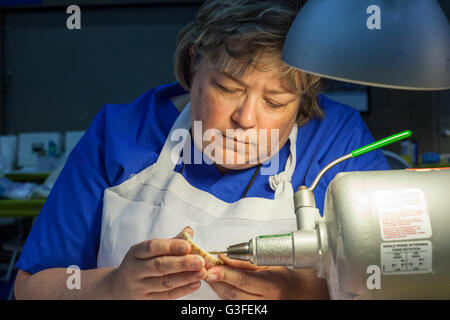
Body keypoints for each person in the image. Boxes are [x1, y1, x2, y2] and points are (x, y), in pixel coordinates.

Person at [14, 0, 389, 300]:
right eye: (227, 88)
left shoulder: (340, 143)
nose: (245, 118)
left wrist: (300, 292)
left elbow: (394, 278)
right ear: (193, 63)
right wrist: (113, 287)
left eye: (275, 102)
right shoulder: (122, 135)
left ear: (304, 100)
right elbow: (30, 287)